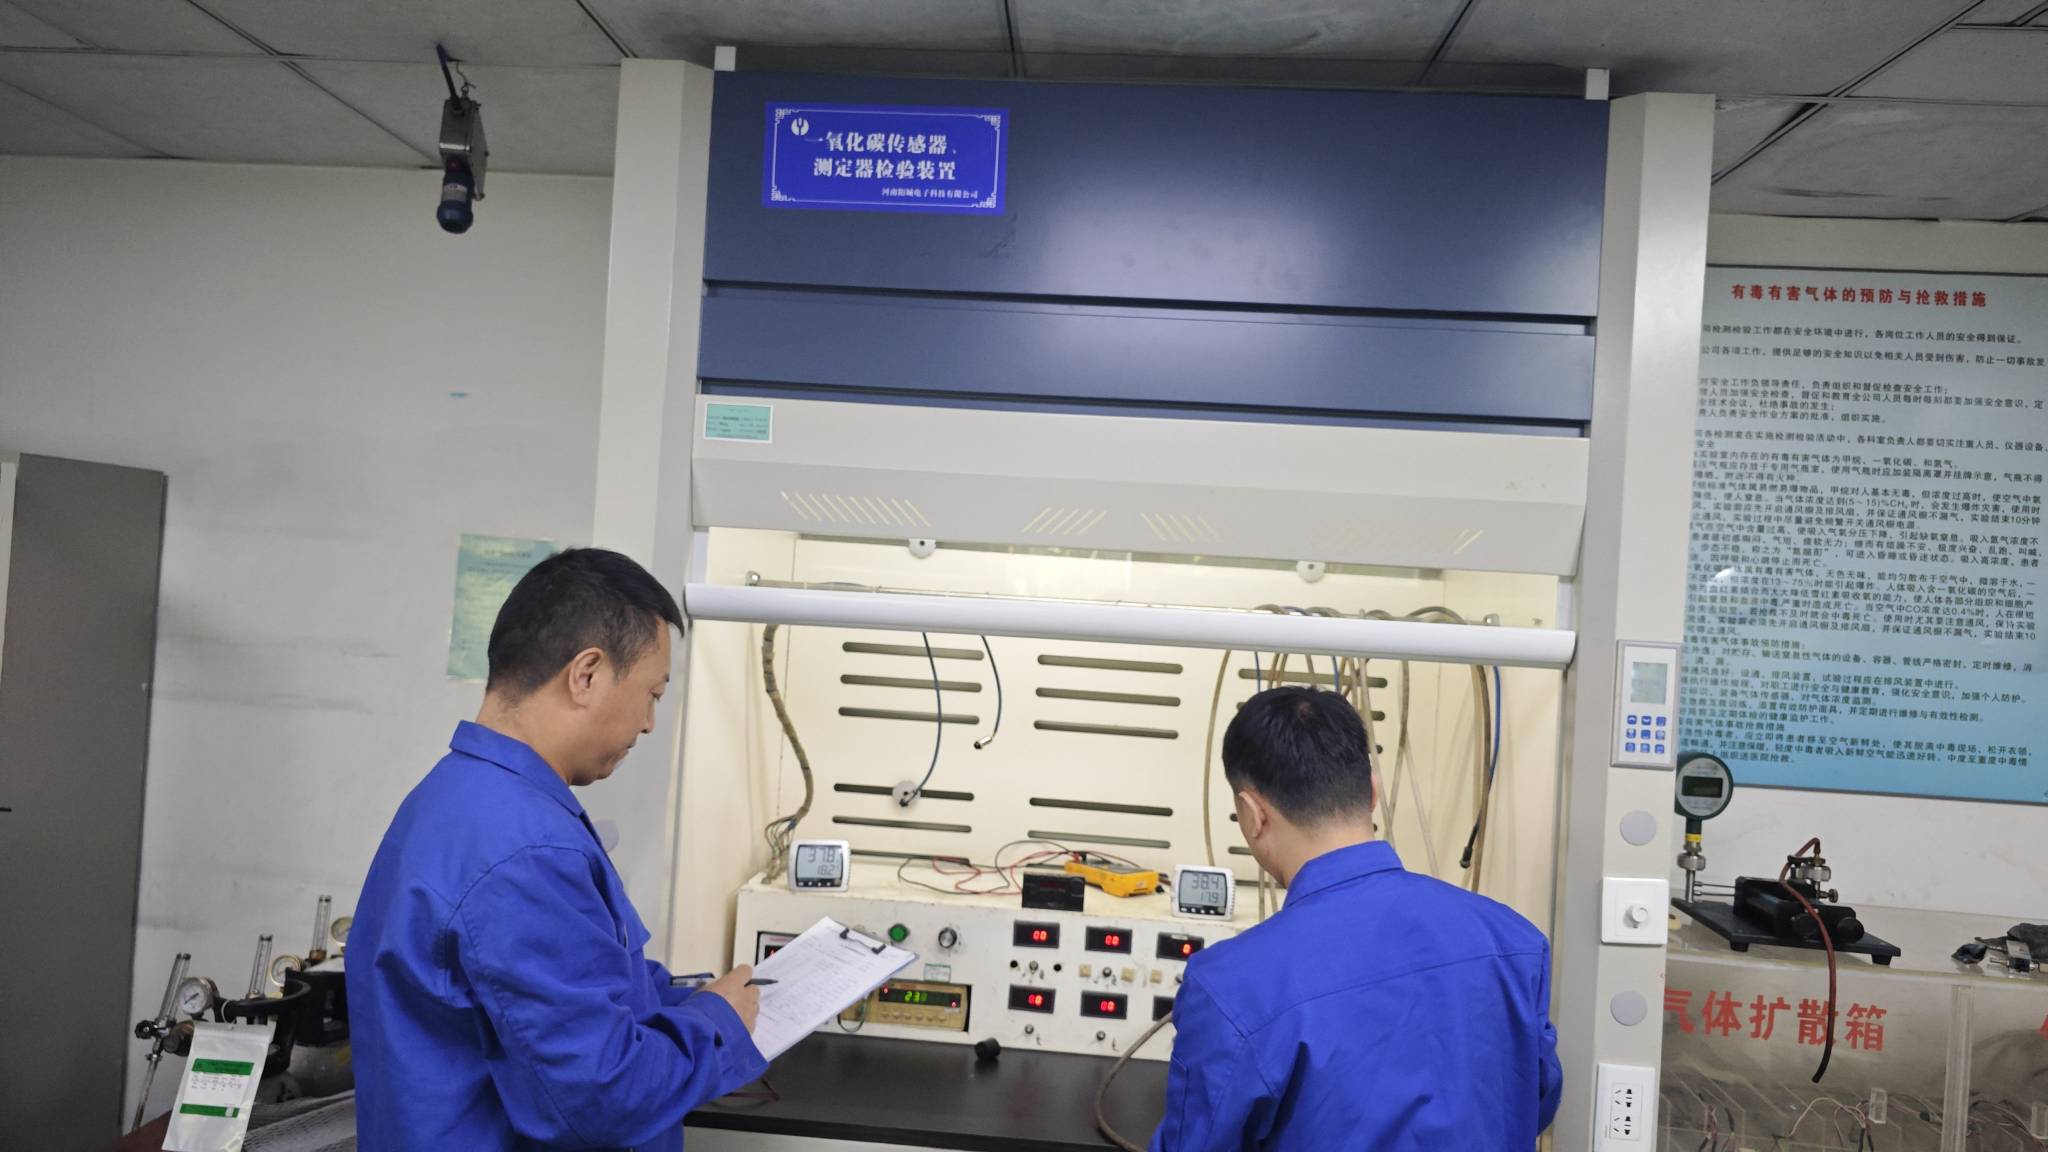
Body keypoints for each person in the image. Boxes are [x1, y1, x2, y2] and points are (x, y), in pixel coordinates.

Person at [348, 548, 765, 1150]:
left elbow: (581, 983)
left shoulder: (458, 797)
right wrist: (719, 1027)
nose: (649, 723)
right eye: (652, 693)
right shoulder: (525, 849)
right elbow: (602, 1096)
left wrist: (685, 998)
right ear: (586, 674)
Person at [1151, 686, 1561, 1151]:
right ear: (1372, 789)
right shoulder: (1516, 942)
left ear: (1251, 814)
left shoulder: (1230, 986)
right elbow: (1535, 1100)